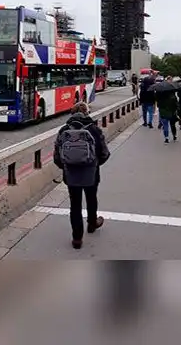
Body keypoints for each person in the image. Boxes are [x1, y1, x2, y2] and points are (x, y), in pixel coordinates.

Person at [53, 102, 110, 250]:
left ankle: (77, 238)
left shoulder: (63, 130)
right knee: (91, 198)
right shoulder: (94, 129)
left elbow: (57, 157)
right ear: (86, 113)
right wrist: (95, 164)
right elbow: (105, 153)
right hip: (91, 172)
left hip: (71, 174)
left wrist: (66, 167)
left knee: (75, 205)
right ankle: (92, 223)